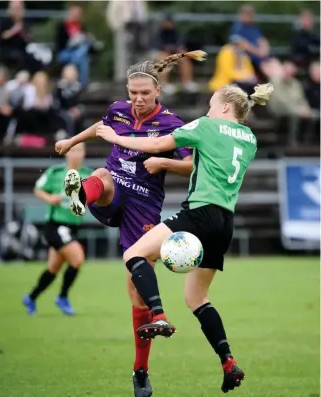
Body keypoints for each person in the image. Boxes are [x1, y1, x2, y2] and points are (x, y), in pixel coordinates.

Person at [96, 82, 274, 394]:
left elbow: (156, 143)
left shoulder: (207, 125)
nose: (206, 109)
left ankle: (160, 315)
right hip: (224, 223)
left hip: (199, 214)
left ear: (223, 108)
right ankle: (228, 362)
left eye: (210, 104)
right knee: (197, 299)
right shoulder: (249, 139)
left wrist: (113, 137)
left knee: (134, 256)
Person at [56, 50, 205, 397]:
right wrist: (72, 141)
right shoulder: (118, 110)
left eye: (144, 94)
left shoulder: (172, 124)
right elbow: (100, 128)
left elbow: (191, 166)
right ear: (127, 90)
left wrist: (163, 163)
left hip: (144, 208)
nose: (137, 99)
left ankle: (140, 371)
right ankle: (82, 197)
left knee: (136, 295)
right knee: (102, 173)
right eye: (132, 92)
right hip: (113, 192)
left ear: (157, 93)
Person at [23, 143, 92, 316]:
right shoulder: (55, 173)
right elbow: (38, 189)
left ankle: (31, 297)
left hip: (74, 226)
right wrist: (50, 198)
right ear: (67, 153)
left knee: (53, 268)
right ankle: (62, 297)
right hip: (56, 225)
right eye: (73, 150)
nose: (76, 154)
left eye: (80, 151)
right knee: (77, 259)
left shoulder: (88, 175)